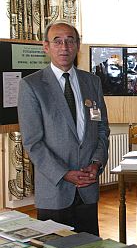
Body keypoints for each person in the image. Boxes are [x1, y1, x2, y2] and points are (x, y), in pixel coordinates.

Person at [17, 21, 110, 236]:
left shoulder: (92, 82)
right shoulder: (32, 85)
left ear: (78, 46)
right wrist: (64, 173)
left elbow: (102, 129)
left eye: (70, 41)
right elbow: (33, 142)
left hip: (88, 186)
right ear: (46, 47)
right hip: (55, 189)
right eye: (57, 41)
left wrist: (96, 164)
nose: (64, 47)